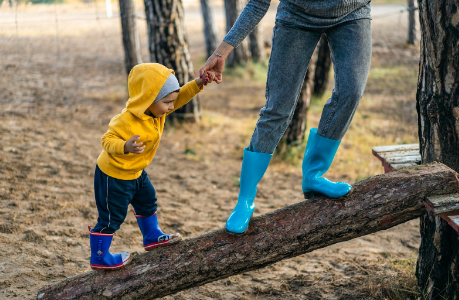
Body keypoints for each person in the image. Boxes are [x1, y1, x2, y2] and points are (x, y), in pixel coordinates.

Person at [199, 0, 372, 234]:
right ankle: (245, 201)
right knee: (277, 109)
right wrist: (222, 51)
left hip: (353, 12)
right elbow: (258, 3)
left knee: (351, 93)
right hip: (296, 16)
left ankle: (314, 175)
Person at [89, 63, 216, 270]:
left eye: (171, 102)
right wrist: (125, 146)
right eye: (167, 102)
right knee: (112, 217)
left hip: (137, 172)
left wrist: (199, 83)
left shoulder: (158, 111)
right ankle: (99, 256)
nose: (171, 107)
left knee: (148, 200)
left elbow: (180, 96)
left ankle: (152, 236)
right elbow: (106, 140)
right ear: (148, 99)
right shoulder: (126, 120)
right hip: (114, 175)